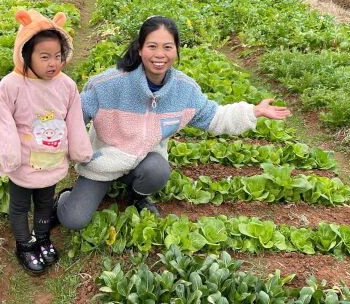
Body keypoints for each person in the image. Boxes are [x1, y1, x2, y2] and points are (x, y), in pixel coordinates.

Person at [55, 16, 291, 230]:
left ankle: (137, 194)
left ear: (176, 50)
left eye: (168, 47)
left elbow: (214, 117)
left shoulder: (184, 90)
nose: (160, 54)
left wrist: (253, 111)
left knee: (158, 170)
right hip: (104, 161)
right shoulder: (107, 84)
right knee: (73, 220)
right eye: (152, 46)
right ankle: (68, 196)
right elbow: (75, 117)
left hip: (144, 160)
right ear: (139, 48)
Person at [0, 9, 92, 275]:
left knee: (46, 203)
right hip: (23, 164)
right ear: (26, 55)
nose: (52, 63)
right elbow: (0, 120)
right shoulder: (12, 85)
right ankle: (24, 244)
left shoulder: (66, 85)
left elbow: (74, 119)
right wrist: (9, 156)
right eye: (44, 57)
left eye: (57, 56)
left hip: (52, 160)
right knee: (20, 206)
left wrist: (79, 150)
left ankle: (42, 237)